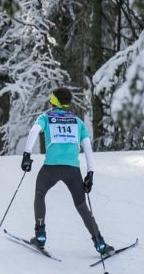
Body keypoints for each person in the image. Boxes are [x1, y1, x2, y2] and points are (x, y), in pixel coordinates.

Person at [20, 87, 114, 255]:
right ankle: (99, 243)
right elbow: (87, 148)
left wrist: (27, 155)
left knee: (40, 193)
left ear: (54, 101)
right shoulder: (78, 122)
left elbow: (34, 131)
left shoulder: (46, 117)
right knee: (81, 205)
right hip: (73, 170)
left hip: (51, 167)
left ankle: (40, 236)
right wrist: (90, 173)